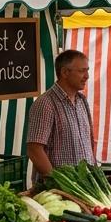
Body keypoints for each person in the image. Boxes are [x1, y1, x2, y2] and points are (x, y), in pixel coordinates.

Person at [27, 49, 95, 179]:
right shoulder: (45, 104)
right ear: (64, 72)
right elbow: (34, 150)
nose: (87, 76)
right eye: (82, 71)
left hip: (85, 186)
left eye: (87, 70)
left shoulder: (82, 101)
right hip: (58, 190)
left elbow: (89, 143)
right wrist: (58, 181)